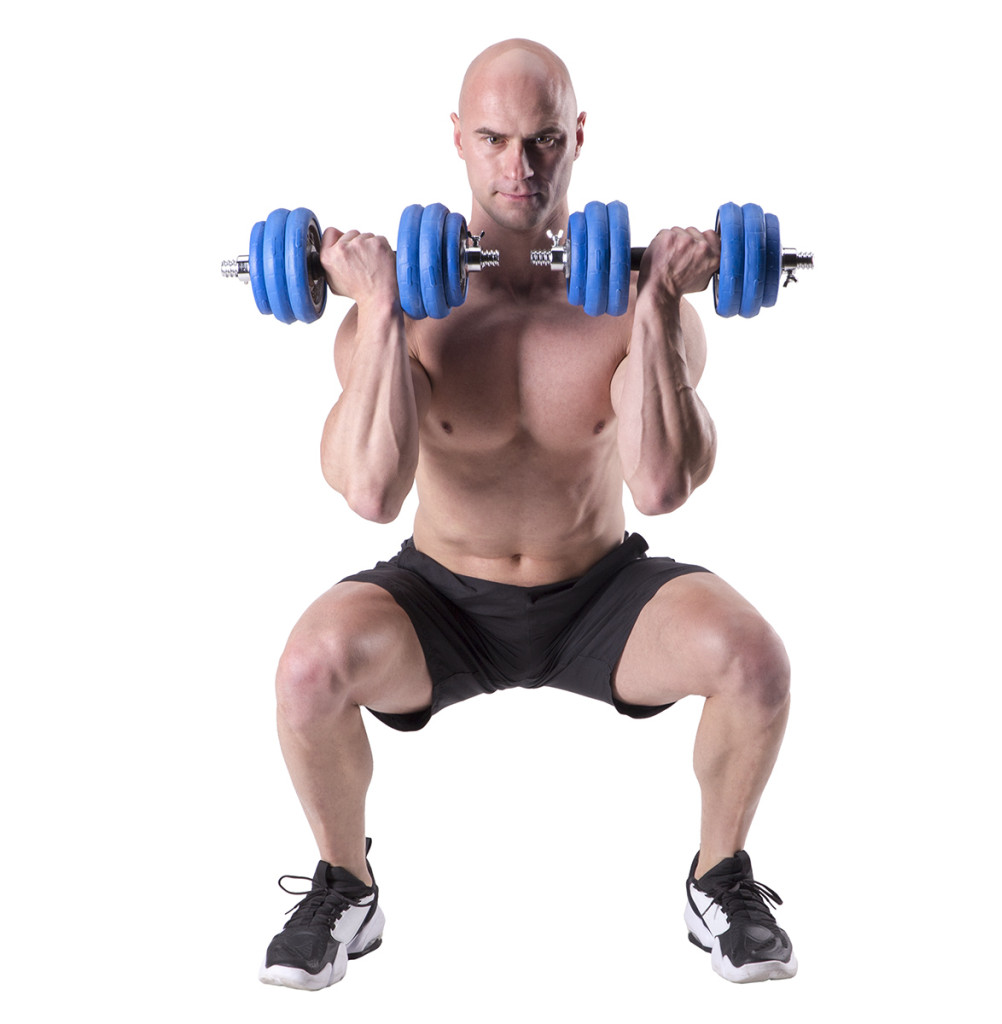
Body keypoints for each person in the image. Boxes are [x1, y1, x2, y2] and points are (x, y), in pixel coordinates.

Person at [259, 38, 797, 990]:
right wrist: (381, 307)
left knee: (754, 662)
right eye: (494, 139)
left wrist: (654, 307)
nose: (521, 167)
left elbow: (662, 487)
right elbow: (371, 494)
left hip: (602, 595)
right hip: (440, 600)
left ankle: (719, 878)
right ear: (456, 139)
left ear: (578, 136)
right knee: (308, 670)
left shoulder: (632, 305)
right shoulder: (397, 316)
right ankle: (346, 885)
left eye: (544, 139)